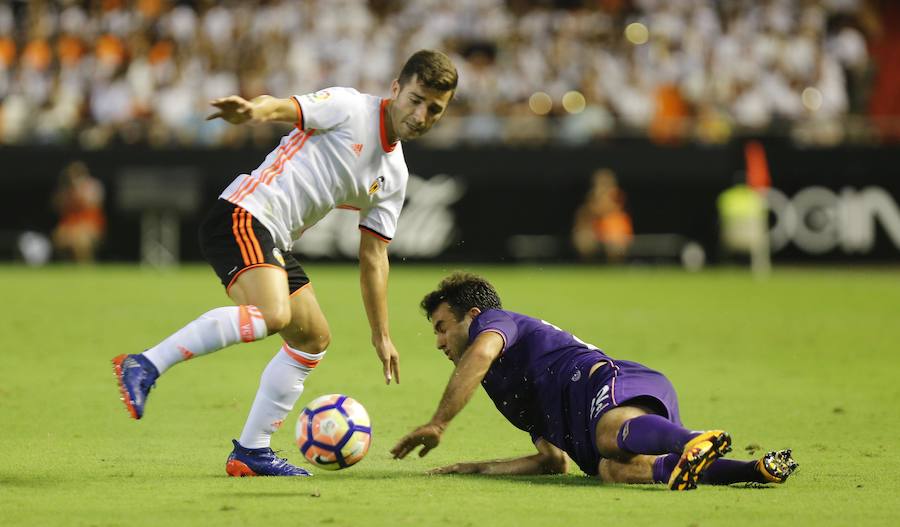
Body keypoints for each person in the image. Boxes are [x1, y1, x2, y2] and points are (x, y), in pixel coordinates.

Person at [112, 50, 458, 477]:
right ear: (395, 89)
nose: (422, 114)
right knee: (275, 314)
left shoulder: (395, 175)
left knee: (312, 337)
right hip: (244, 213)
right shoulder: (351, 107)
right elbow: (286, 107)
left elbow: (374, 257)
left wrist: (381, 335)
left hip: (273, 237)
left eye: (434, 109)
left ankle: (251, 453)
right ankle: (145, 364)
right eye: (416, 99)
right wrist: (252, 112)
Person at [391, 273, 798, 490]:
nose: (439, 342)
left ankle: (690, 437)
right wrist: (474, 469)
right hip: (614, 422)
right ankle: (752, 470)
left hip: (614, 383)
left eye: (442, 328)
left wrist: (439, 422)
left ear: (474, 315)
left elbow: (479, 353)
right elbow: (552, 460)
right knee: (614, 470)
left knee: (607, 435)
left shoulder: (497, 324)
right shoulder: (499, 384)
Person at [571, 169, 633, 263]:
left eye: (605, 183)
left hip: (613, 233)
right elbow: (583, 217)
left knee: (615, 246)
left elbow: (609, 210)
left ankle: (615, 270)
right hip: (595, 232)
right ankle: (588, 269)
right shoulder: (590, 199)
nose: (603, 186)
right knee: (584, 240)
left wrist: (600, 201)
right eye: (600, 183)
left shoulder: (617, 196)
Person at [52, 161, 106, 263]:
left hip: (90, 226)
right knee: (60, 236)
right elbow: (56, 206)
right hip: (69, 226)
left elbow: (93, 204)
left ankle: (85, 268)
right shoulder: (65, 190)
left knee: (80, 240)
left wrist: (78, 190)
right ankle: (67, 269)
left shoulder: (93, 186)